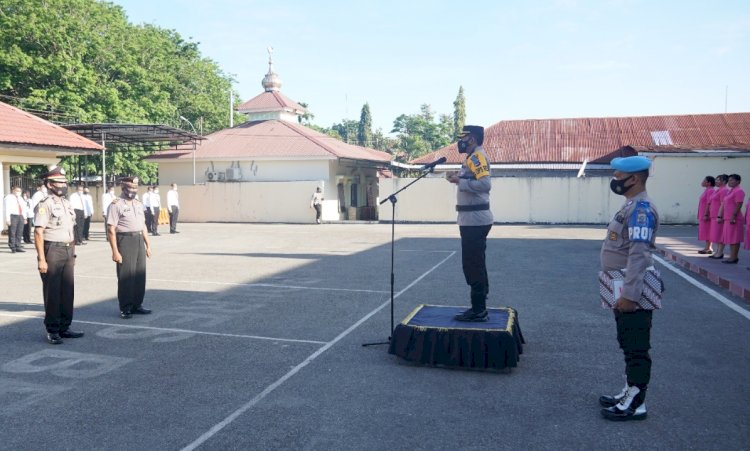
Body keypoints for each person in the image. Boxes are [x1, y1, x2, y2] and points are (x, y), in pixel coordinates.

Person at [598, 156, 661, 421]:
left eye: (617, 176)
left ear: (633, 178)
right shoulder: (631, 206)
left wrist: (630, 295)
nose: (615, 180)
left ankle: (637, 401)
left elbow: (639, 255)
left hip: (630, 288)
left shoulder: (641, 210)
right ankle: (629, 390)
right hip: (619, 282)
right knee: (627, 341)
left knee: (636, 345)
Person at [446, 125, 493, 322]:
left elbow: (485, 185)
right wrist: (458, 179)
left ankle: (478, 310)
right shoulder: (472, 157)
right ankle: (479, 305)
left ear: (472, 139)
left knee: (473, 264)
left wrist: (460, 182)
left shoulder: (477, 157)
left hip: (475, 220)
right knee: (475, 263)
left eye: (463, 138)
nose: (460, 142)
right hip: (470, 220)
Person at [33, 166, 84, 344]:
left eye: (64, 182)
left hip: (68, 250)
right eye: (59, 182)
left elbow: (71, 230)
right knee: (53, 292)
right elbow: (38, 232)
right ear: (49, 184)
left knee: (67, 291)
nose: (63, 185)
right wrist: (41, 259)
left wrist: (73, 254)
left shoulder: (66, 203)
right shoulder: (44, 204)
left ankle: (65, 326)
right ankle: (53, 330)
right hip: (52, 250)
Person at [106, 177, 152, 319]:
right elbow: (111, 229)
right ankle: (125, 308)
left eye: (135, 188)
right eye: (130, 188)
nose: (132, 190)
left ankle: (137, 305)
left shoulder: (138, 204)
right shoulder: (116, 205)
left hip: (138, 239)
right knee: (126, 276)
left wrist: (148, 245)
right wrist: (115, 251)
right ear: (123, 188)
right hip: (124, 240)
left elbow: (143, 225)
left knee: (139, 274)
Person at [717, 174, 745, 264]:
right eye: (729, 180)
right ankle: (732, 257)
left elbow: (739, 204)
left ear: (738, 181)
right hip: (727, 218)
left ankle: (733, 257)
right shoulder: (731, 191)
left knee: (734, 239)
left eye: (732, 180)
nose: (729, 182)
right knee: (730, 238)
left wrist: (733, 216)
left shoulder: (739, 191)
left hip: (734, 218)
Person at [708, 174, 729, 259]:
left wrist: (720, 216)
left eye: (718, 180)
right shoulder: (718, 190)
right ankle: (717, 251)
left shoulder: (724, 190)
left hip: (719, 216)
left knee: (720, 234)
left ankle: (720, 252)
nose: (716, 181)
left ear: (724, 181)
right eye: (716, 180)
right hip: (714, 216)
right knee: (716, 234)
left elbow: (723, 204)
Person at [4, 185, 27, 253]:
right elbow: (7, 209)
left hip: (20, 216)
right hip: (13, 216)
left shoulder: (20, 198)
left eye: (20, 191)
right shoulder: (8, 197)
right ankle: (12, 246)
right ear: (13, 190)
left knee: (19, 232)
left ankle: (18, 246)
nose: (18, 192)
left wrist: (25, 218)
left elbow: (23, 208)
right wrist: (8, 219)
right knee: (12, 232)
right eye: (17, 191)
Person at [697, 176, 715, 254]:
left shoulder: (710, 191)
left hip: (706, 214)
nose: (702, 182)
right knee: (705, 231)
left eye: (704, 180)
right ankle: (707, 247)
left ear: (708, 183)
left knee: (708, 230)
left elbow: (709, 203)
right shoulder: (707, 190)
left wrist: (706, 214)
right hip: (702, 213)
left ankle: (709, 247)